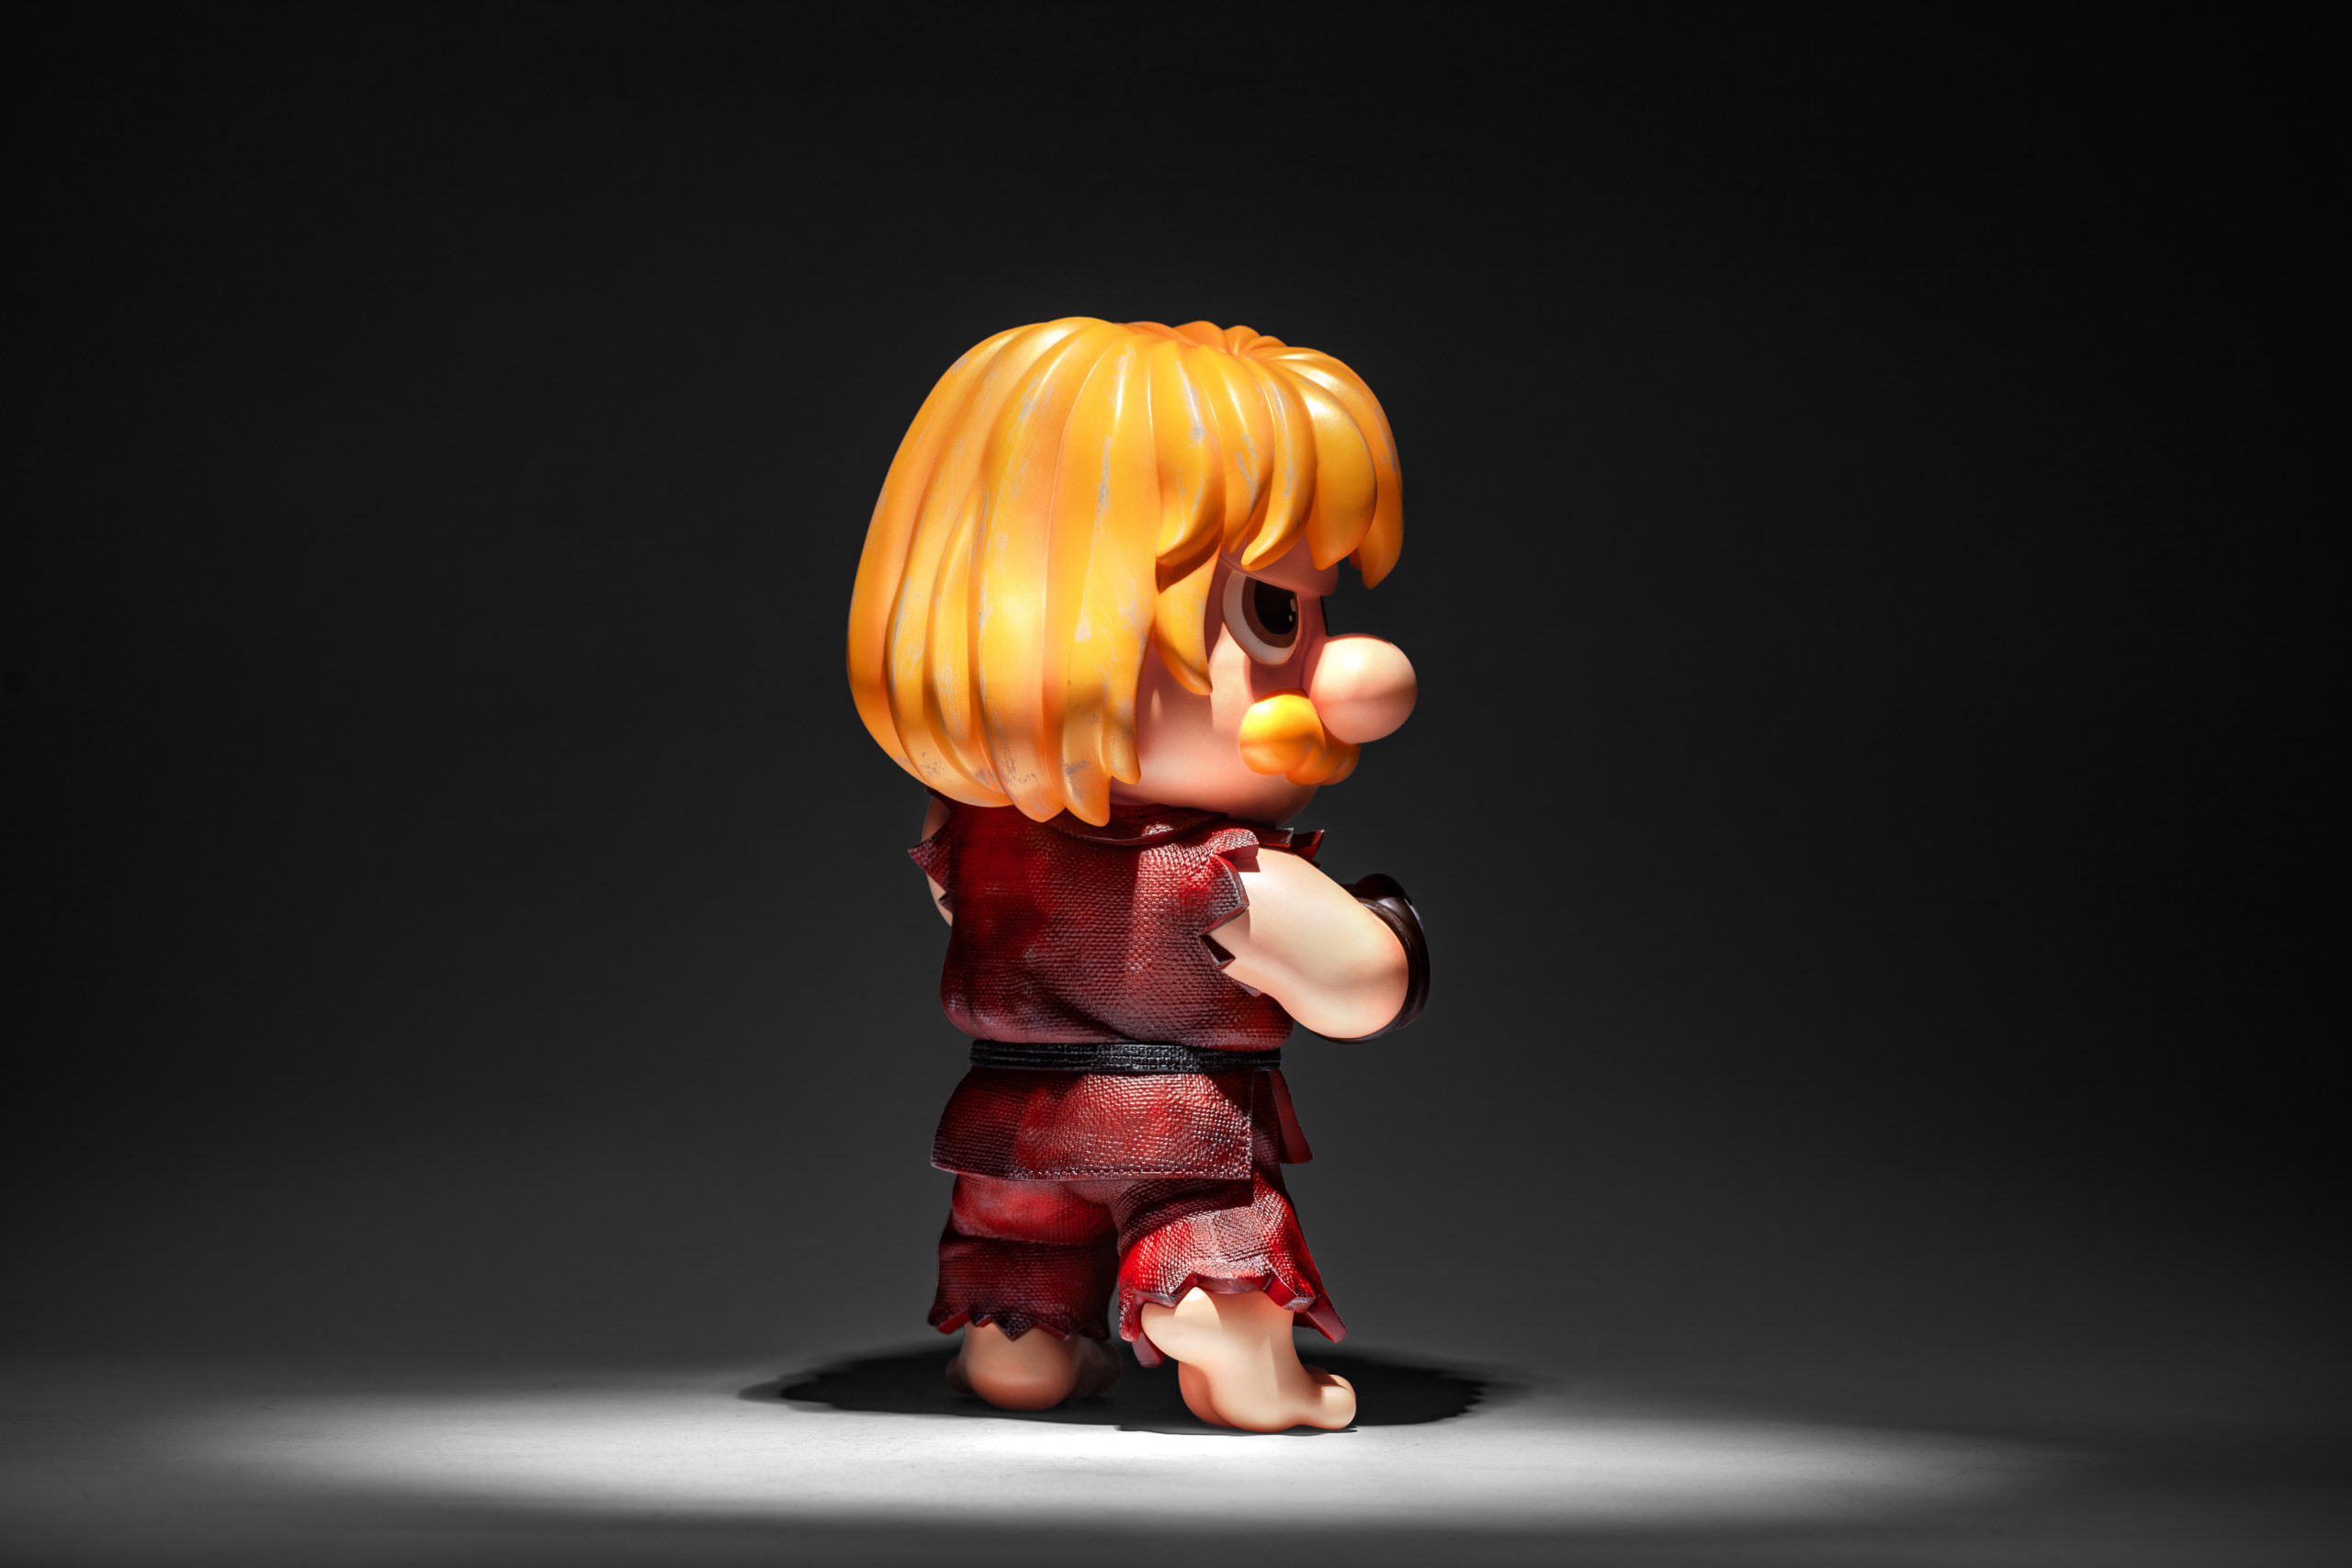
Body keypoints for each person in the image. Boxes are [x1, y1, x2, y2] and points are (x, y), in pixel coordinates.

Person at [845, 319, 1427, 1431]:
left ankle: (1017, 1346)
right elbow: (1357, 989)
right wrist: (1389, 936)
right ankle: (1221, 1329)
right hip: (1176, 1121)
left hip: (1006, 1116)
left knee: (1017, 1241)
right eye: (1277, 612)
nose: (1354, 675)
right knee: (1209, 1224)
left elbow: (961, 908)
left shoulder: (969, 836)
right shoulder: (1224, 875)